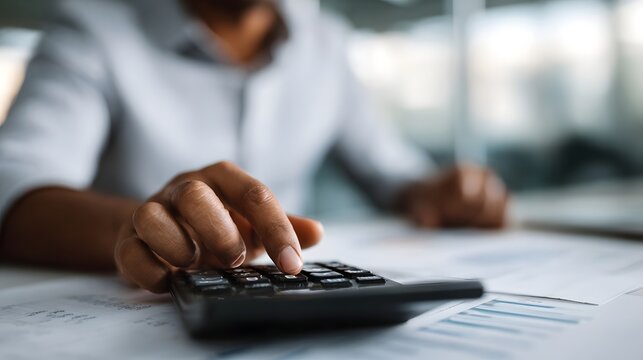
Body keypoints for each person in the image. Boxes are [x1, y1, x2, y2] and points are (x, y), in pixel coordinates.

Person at [0, 0, 509, 293]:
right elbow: (13, 184)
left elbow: (389, 171)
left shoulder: (324, 40)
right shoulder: (93, 26)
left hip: (293, 302)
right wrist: (148, 226)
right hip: (139, 306)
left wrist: (435, 191)